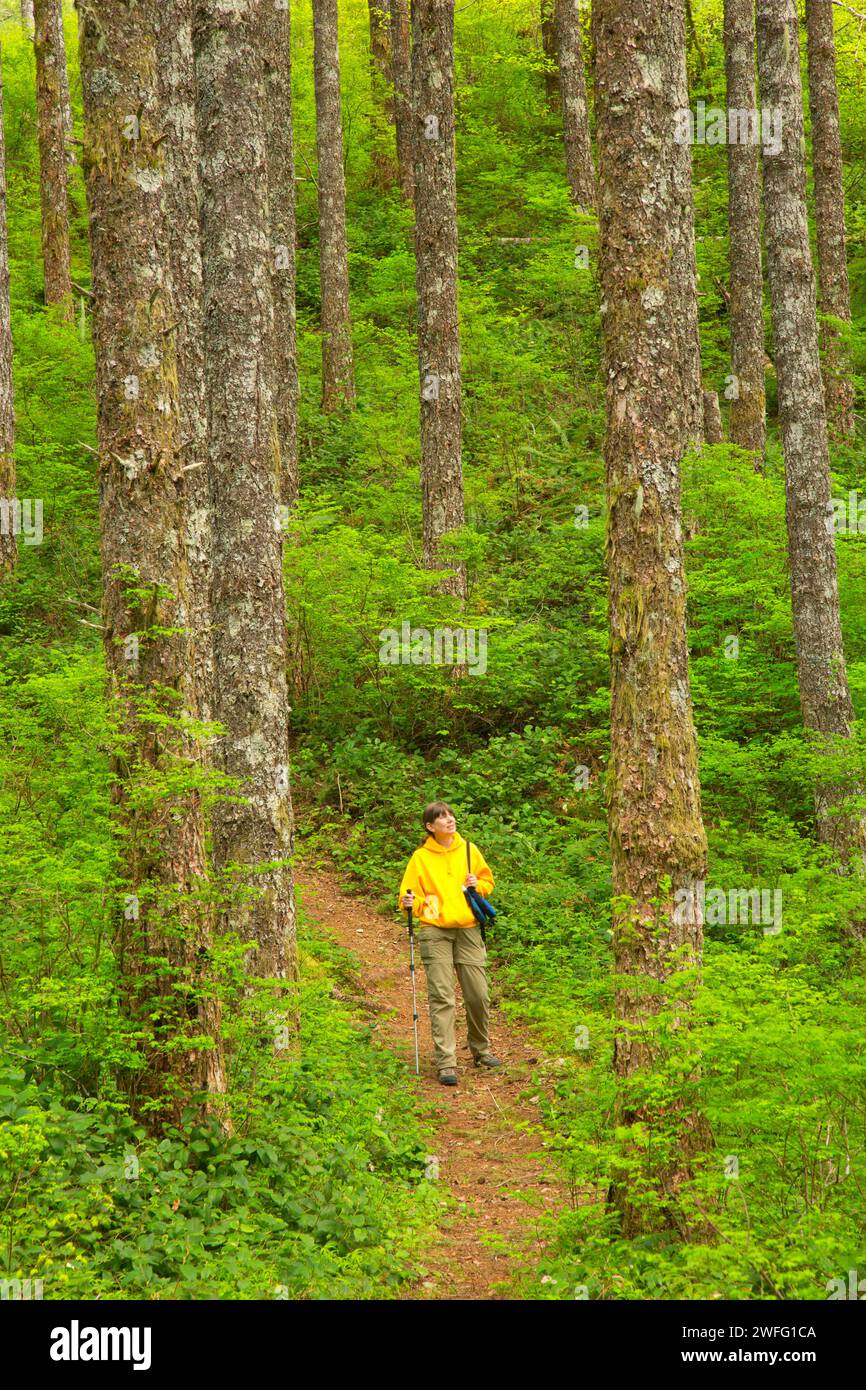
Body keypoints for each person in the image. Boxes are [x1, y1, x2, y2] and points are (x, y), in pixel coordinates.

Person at [398, 802, 502, 1086]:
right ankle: (447, 1063)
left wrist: (476, 884)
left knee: (477, 995)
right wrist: (411, 902)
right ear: (430, 827)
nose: (449, 820)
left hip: (468, 929)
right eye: (441, 817)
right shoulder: (420, 858)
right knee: (442, 997)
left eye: (450, 815)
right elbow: (408, 896)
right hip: (435, 931)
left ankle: (481, 1051)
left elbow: (487, 882)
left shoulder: (469, 849)